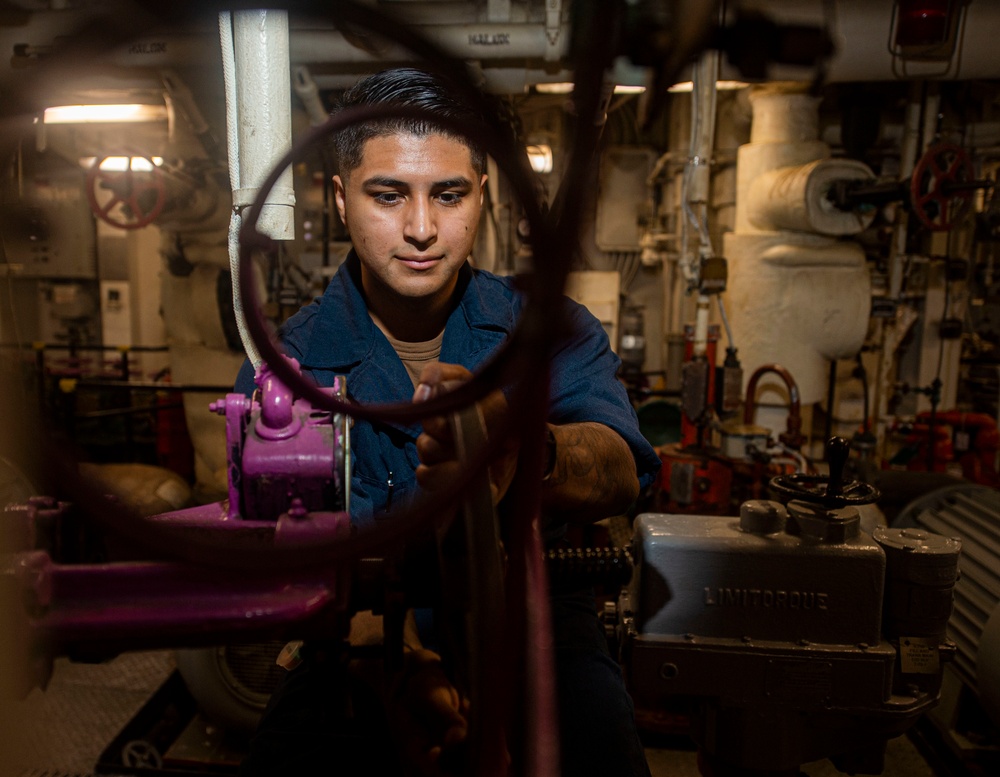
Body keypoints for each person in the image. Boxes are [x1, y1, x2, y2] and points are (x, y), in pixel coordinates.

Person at [235, 67, 661, 777]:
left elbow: (619, 468)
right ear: (341, 198)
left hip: (542, 630)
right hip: (354, 635)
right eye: (388, 194)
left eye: (450, 194)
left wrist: (524, 452)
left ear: (482, 194)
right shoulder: (288, 366)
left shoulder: (550, 331)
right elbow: (285, 560)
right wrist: (385, 660)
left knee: (599, 743)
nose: (423, 228)